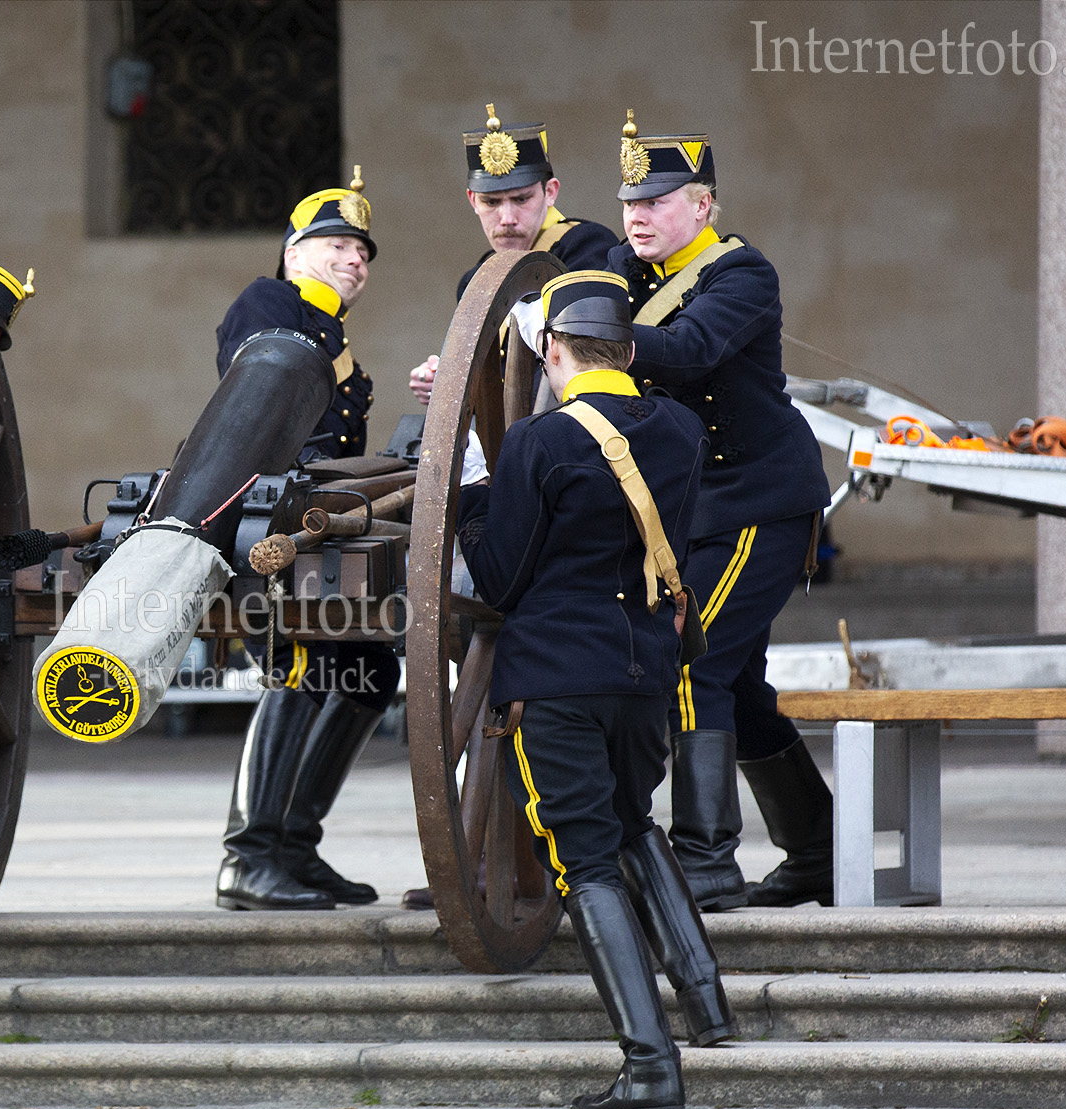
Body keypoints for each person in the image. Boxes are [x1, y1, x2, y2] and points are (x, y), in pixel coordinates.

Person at [457, 270, 735, 1109]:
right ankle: (705, 1001)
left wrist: (474, 495)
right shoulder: (682, 430)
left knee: (583, 860)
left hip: (558, 678)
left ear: (553, 349)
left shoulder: (542, 442)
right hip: (646, 672)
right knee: (631, 823)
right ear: (628, 348)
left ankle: (650, 1067)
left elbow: (500, 578)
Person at [608, 111, 835, 910]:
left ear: (702, 207)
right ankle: (819, 852)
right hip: (696, 508)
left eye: (659, 201)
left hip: (761, 497)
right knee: (736, 688)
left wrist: (594, 337)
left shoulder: (742, 274)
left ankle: (705, 860)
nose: (638, 216)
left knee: (693, 658)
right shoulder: (621, 270)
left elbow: (695, 349)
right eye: (632, 201)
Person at [211, 169, 397, 911]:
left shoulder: (335, 338)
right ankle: (247, 858)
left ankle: (295, 844)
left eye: (362, 252)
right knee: (298, 668)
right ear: (293, 253)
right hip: (265, 527)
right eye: (336, 246)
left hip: (320, 535)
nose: (355, 260)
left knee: (369, 670)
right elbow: (264, 394)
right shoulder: (270, 303)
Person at [408, 103, 620, 407]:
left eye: (521, 199)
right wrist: (442, 379)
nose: (507, 217)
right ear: (472, 200)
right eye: (491, 202)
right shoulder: (476, 278)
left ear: (550, 192)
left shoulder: (587, 246)